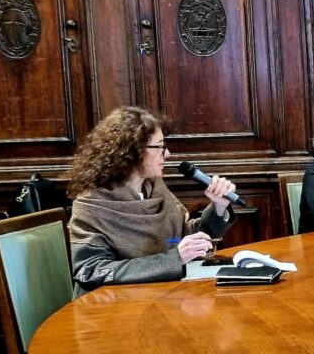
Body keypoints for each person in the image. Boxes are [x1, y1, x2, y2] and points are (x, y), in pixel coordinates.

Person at [67, 106, 237, 297]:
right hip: (109, 310)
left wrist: (219, 207)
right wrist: (174, 259)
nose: (167, 154)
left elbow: (181, 239)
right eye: (160, 146)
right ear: (133, 151)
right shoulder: (91, 203)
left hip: (160, 295)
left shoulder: (154, 187)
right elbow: (92, 271)